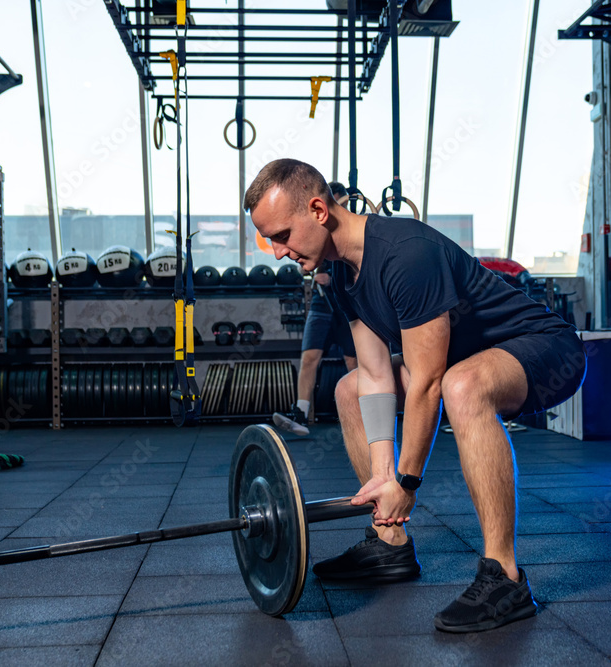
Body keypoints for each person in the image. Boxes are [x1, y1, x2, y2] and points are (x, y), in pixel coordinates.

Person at [244, 159, 586, 633]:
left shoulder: (405, 253)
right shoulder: (341, 275)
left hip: (544, 348)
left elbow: (426, 381)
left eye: (281, 235)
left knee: (460, 385)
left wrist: (406, 482)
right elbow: (375, 372)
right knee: (349, 389)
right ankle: (390, 544)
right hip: (465, 363)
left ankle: (504, 575)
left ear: (318, 209)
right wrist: (384, 482)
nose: (278, 252)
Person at [273, 182, 358, 436]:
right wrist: (306, 267)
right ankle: (300, 412)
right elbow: (303, 259)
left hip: (345, 305)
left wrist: (333, 279)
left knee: (353, 360)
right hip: (322, 305)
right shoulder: (315, 228)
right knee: (309, 358)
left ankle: (362, 410)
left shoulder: (350, 230)